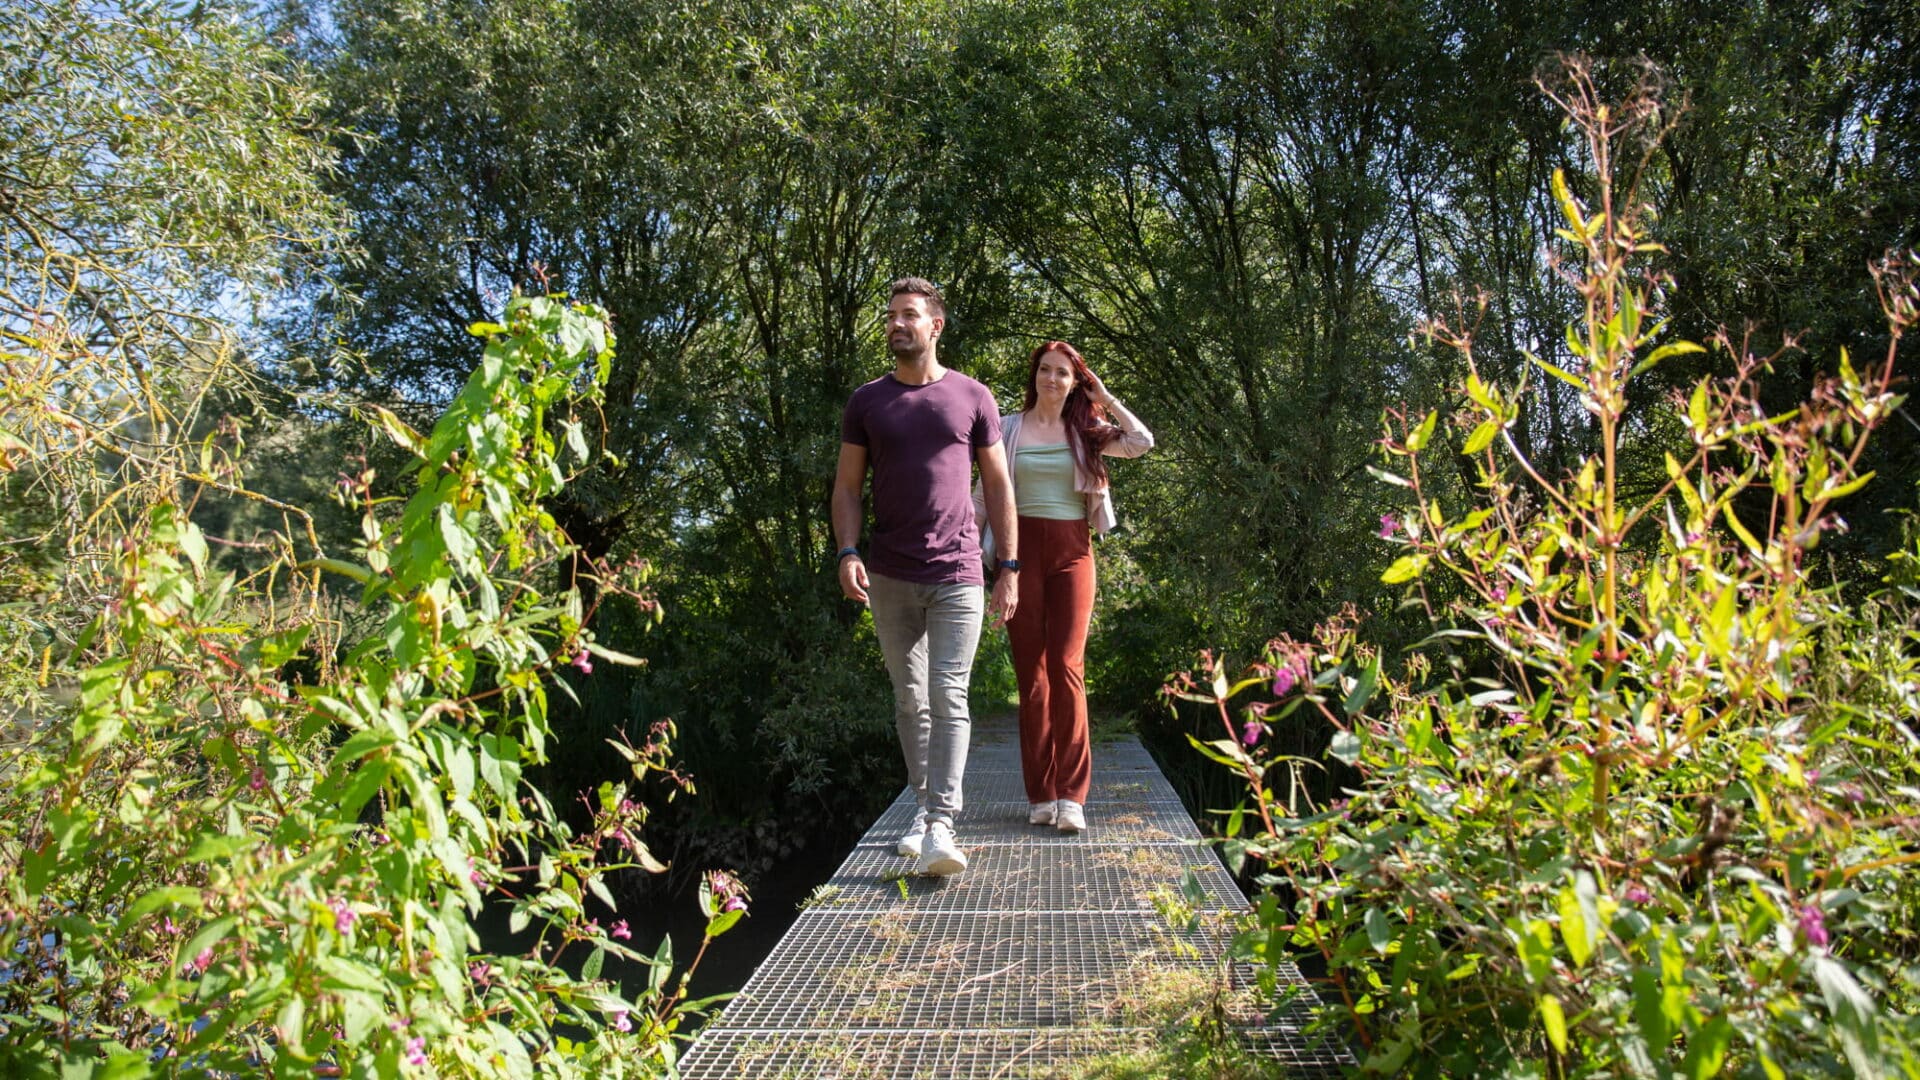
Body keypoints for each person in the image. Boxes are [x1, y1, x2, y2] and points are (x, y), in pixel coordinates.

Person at [833, 277, 1020, 877]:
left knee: (948, 692)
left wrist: (1008, 566)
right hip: (889, 573)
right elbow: (847, 487)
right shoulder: (867, 402)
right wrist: (847, 551)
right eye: (891, 315)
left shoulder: (973, 396)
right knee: (909, 698)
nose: (896, 324)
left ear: (935, 325)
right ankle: (921, 808)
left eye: (908, 315)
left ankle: (942, 822)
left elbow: (999, 486)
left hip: (958, 569)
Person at [975, 340, 1152, 834]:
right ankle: (1042, 794)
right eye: (1045, 370)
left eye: (1063, 373)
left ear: (1076, 383)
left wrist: (1105, 397)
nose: (1052, 379)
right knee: (1031, 678)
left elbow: (1141, 442)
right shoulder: (1007, 428)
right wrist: (966, 550)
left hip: (1073, 553)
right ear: (1034, 375)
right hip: (1018, 555)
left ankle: (1072, 796)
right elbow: (983, 497)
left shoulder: (1087, 430)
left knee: (1067, 667)